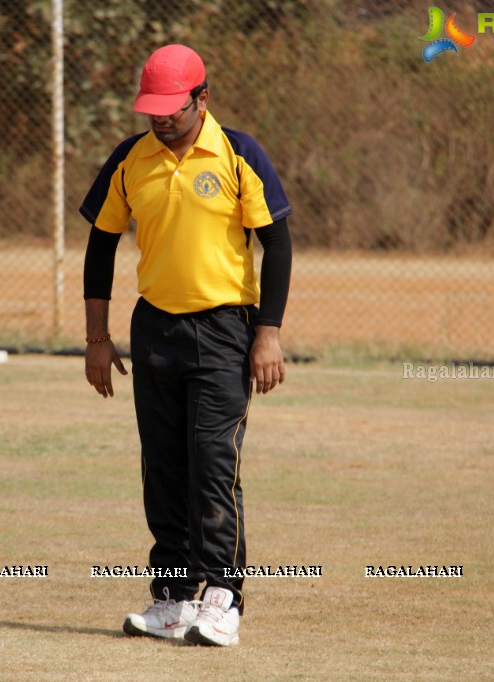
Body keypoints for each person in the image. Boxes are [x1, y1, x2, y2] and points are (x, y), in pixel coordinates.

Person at [79, 44, 292, 647]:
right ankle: (173, 598)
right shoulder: (131, 159)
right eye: (153, 108)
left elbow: (277, 243)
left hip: (225, 329)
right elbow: (100, 246)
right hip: (155, 330)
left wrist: (268, 333)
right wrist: (98, 338)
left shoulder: (238, 152)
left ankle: (223, 598)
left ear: (203, 98)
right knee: (163, 465)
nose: (160, 118)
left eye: (173, 107)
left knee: (212, 462)